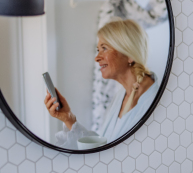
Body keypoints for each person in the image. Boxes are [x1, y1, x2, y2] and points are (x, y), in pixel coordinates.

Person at [44, 19, 158, 149]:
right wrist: (68, 117)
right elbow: (105, 146)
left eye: (104, 48)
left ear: (129, 54)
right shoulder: (121, 95)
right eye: (98, 49)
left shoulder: (156, 102)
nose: (97, 57)